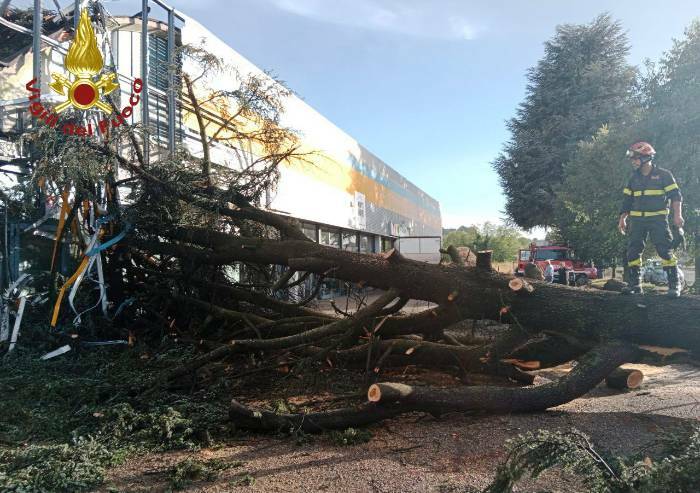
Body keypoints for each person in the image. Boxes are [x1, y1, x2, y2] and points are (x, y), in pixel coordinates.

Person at [618, 141, 684, 297]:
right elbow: (627, 200)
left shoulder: (664, 175)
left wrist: (677, 215)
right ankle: (635, 285)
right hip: (637, 221)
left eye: (635, 158)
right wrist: (622, 219)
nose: (633, 162)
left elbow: (676, 196)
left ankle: (674, 285)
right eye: (632, 159)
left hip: (658, 220)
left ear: (646, 158)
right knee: (633, 252)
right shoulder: (633, 178)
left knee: (665, 250)